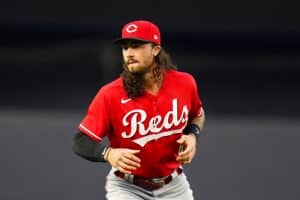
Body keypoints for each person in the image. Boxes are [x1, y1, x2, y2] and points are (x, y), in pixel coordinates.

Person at [72, 19, 205, 200]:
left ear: (156, 49)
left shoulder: (184, 83)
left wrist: (192, 135)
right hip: (127, 187)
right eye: (125, 47)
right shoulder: (110, 94)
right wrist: (108, 153)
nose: (129, 53)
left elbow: (197, 114)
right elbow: (81, 141)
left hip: (174, 185)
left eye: (136, 46)